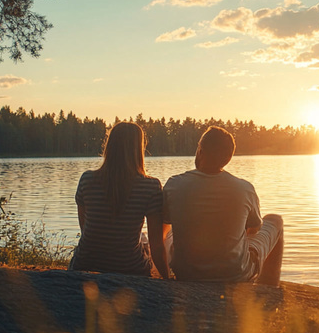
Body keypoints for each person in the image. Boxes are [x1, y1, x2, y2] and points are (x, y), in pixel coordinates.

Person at [163, 126, 284, 286]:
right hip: (235, 274)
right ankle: (268, 289)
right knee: (275, 220)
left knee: (169, 232)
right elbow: (254, 229)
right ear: (228, 158)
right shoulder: (244, 188)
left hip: (186, 273)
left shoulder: (174, 184)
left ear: (200, 151)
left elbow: (162, 229)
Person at [68, 121, 171, 278]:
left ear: (109, 147)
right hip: (129, 267)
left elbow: (87, 230)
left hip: (84, 264)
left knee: (140, 239)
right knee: (147, 240)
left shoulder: (87, 180)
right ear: (139, 148)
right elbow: (156, 245)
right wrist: (166, 278)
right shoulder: (150, 186)